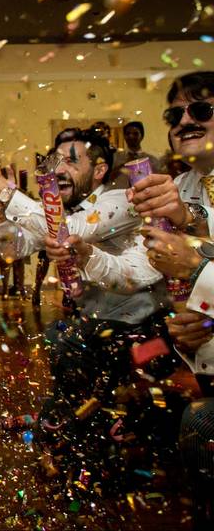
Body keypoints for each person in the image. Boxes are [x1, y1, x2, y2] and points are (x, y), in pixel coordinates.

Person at [0, 128, 179, 499]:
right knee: (66, 351)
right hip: (96, 329)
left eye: (72, 161)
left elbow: (68, 231)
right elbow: (13, 248)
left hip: (144, 333)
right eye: (54, 160)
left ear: (100, 170)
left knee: (76, 361)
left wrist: (3, 190)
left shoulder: (122, 199)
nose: (58, 169)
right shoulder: (59, 208)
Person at [128, 71, 214, 527]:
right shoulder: (180, 187)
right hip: (201, 353)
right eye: (175, 113)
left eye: (201, 110)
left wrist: (194, 237)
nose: (185, 120)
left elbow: (197, 253)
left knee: (200, 426)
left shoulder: (184, 199)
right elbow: (141, 269)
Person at [112, 121, 164, 186]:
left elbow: (158, 180)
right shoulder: (116, 157)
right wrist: (123, 165)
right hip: (119, 194)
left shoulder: (151, 160)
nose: (131, 136)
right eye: (128, 133)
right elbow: (110, 178)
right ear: (124, 136)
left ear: (141, 136)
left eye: (135, 133)